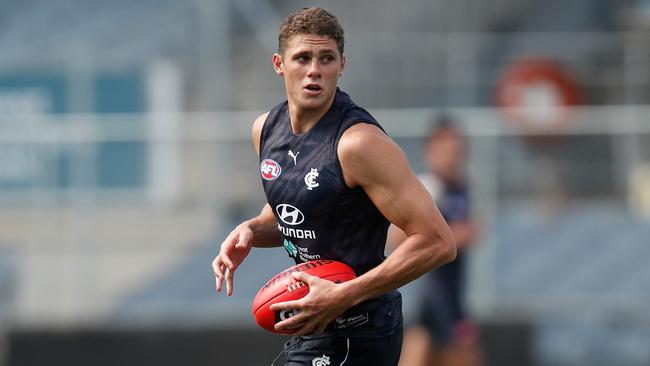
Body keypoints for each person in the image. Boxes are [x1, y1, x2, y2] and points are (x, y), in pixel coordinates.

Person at [212, 7, 456, 366]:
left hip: (360, 327)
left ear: (341, 66)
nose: (314, 70)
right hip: (312, 320)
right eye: (303, 58)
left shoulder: (358, 144)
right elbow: (296, 212)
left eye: (326, 58)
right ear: (279, 64)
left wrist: (343, 295)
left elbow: (439, 243)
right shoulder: (265, 129)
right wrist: (250, 229)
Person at [390, 119, 482, 366]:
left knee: (438, 351)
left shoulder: (462, 187)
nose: (454, 153)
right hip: (430, 291)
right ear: (431, 149)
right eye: (447, 146)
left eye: (457, 147)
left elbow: (473, 229)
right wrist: (449, 237)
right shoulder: (428, 187)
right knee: (455, 352)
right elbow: (397, 238)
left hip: (453, 291)